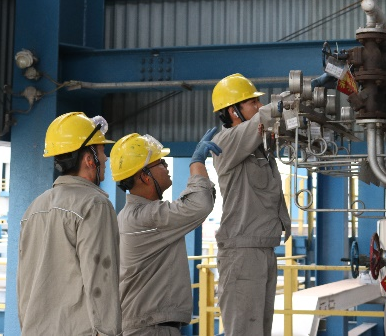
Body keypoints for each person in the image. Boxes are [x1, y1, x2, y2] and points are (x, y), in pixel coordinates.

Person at [17, 112, 122, 336]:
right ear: (89, 159)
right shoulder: (94, 205)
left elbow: (23, 284)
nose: (105, 159)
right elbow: (101, 283)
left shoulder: (34, 208)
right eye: (102, 152)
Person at [111, 129, 221, 335]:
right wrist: (196, 163)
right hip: (150, 329)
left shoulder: (131, 215)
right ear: (145, 176)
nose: (166, 166)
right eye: (160, 163)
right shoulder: (146, 217)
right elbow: (199, 204)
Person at [211, 73, 291, 336]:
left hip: (262, 248)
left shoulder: (256, 147)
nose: (259, 106)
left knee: (260, 330)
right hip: (242, 252)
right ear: (232, 111)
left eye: (259, 102)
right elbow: (264, 117)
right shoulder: (225, 142)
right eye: (252, 103)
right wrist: (289, 98)